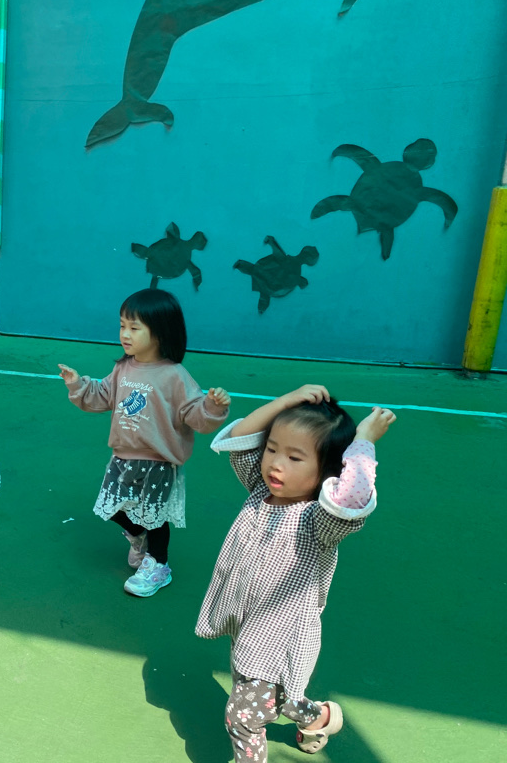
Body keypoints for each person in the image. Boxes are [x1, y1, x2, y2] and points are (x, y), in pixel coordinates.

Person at [196, 385, 395, 761]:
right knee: (279, 698)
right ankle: (320, 717)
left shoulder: (320, 521)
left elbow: (352, 497)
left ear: (328, 471)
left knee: (242, 717)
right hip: (247, 620)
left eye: (295, 457)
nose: (275, 463)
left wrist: (363, 442)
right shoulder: (260, 489)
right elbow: (241, 438)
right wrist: (286, 401)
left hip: (282, 634)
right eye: (272, 449)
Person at [58, 288, 230, 597]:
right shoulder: (123, 368)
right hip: (123, 456)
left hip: (158, 460)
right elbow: (102, 396)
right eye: (122, 325)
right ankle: (138, 536)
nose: (125, 334)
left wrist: (213, 407)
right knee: (113, 508)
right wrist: (77, 385)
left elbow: (195, 415)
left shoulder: (175, 375)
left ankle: (159, 565)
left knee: (155, 516)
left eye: (134, 328)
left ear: (161, 332)